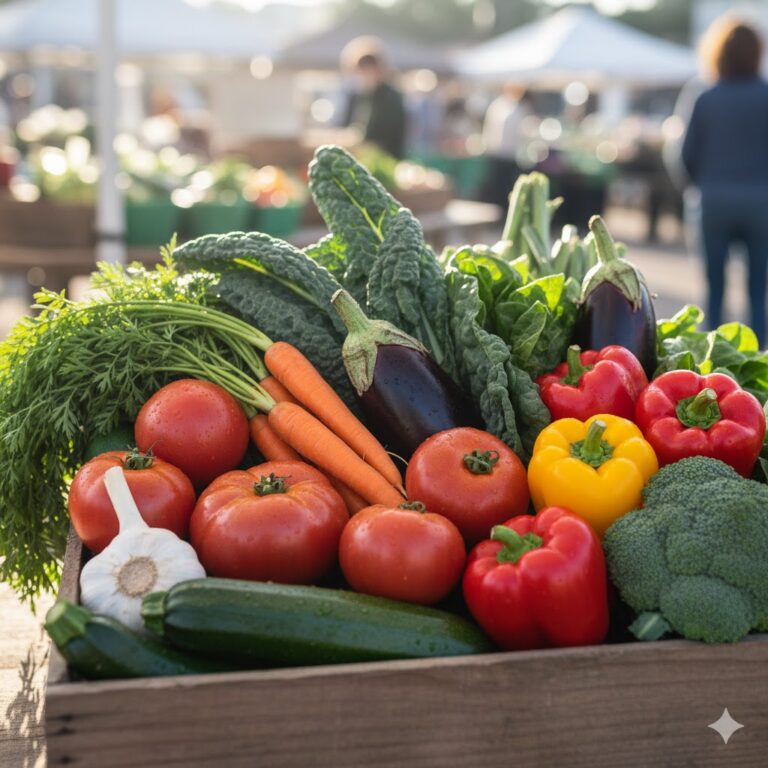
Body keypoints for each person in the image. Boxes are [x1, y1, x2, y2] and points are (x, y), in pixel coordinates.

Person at [681, 16, 768, 344]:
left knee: (714, 291)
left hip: (714, 201)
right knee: (758, 292)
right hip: (762, 204)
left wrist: (701, 187)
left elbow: (685, 155)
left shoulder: (705, 97)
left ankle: (713, 368)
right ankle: (760, 366)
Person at [341, 38, 407, 159]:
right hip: (362, 157)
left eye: (368, 68)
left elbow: (390, 138)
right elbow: (348, 125)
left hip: (386, 159)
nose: (363, 75)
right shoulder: (359, 96)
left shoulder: (392, 98)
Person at [481, 84, 533, 209]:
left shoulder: (519, 108)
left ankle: (502, 211)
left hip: (510, 154)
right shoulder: (498, 105)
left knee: (505, 186)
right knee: (496, 185)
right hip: (496, 153)